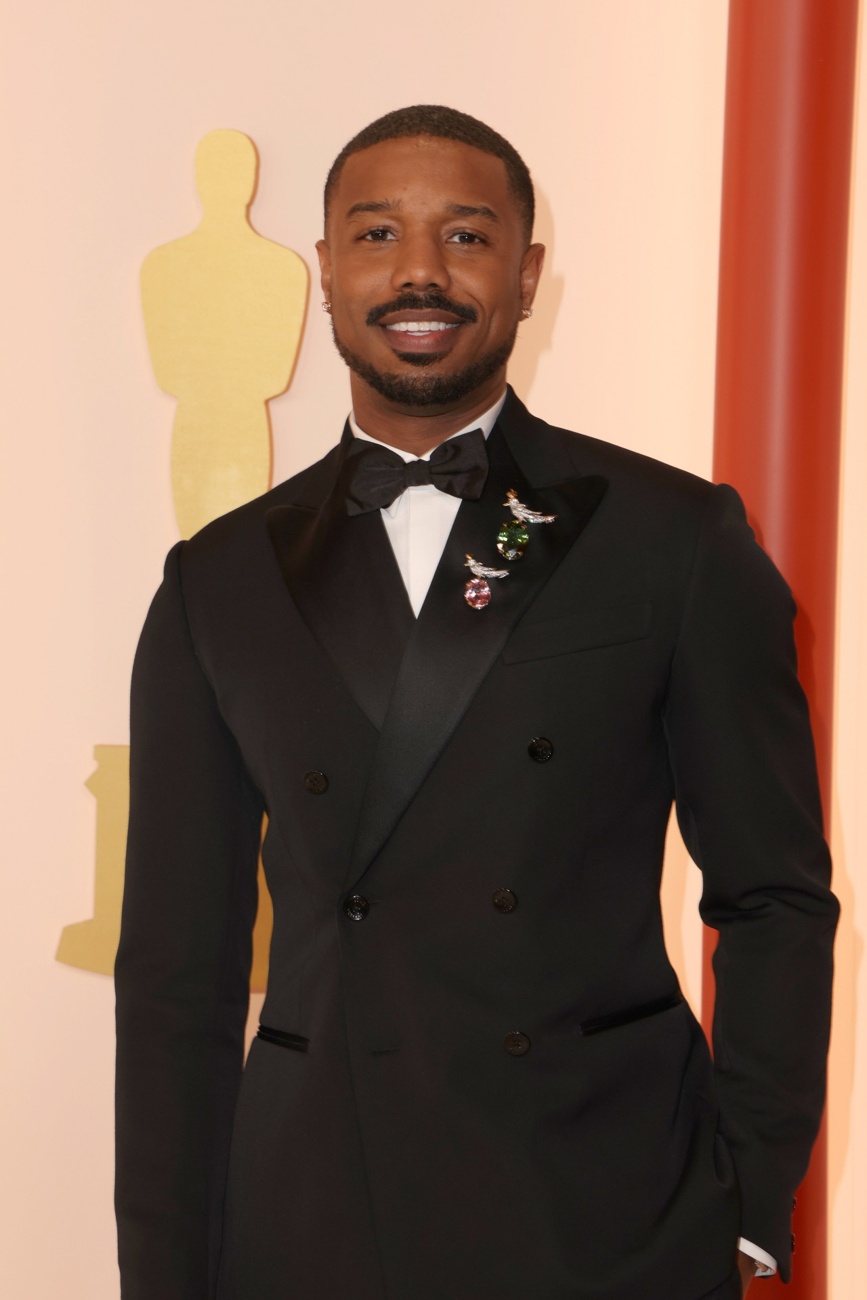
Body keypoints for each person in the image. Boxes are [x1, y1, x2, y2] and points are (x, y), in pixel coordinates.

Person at [115, 106, 837, 1300]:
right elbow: (176, 979)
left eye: (465, 235)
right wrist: (167, 1269)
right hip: (312, 1219)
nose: (419, 271)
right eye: (377, 233)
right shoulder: (218, 579)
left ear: (527, 274)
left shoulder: (671, 537)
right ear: (327, 273)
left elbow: (772, 894)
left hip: (604, 1213)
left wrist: (750, 1197)